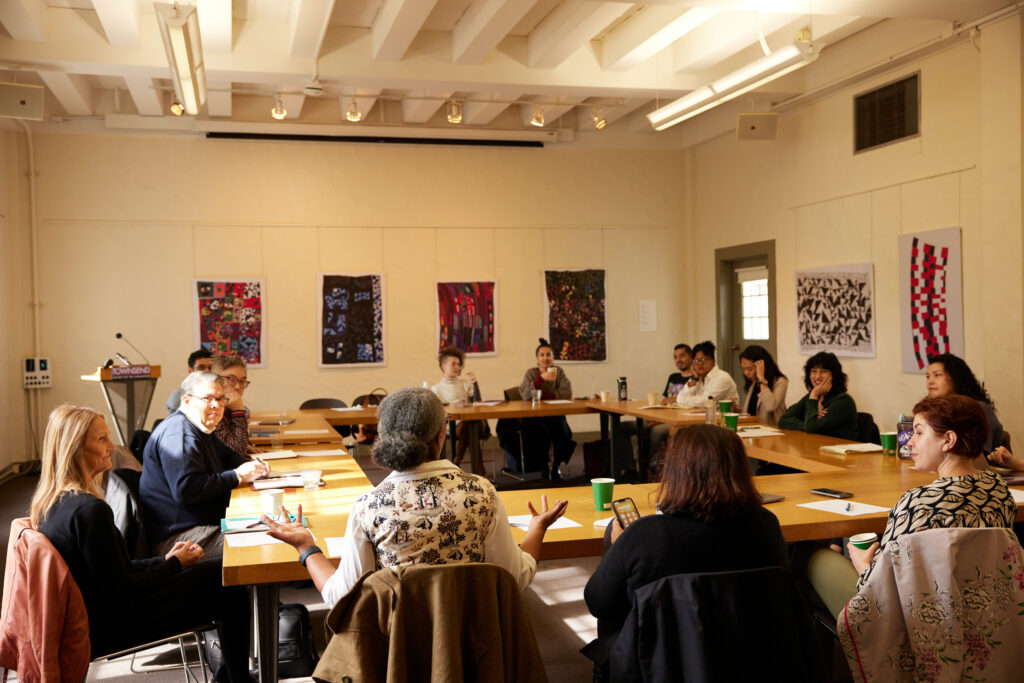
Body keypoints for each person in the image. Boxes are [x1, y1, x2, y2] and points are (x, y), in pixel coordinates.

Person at [263, 387, 568, 607]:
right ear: (440, 435)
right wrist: (537, 530)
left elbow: (343, 598)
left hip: (399, 655)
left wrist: (306, 547)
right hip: (473, 648)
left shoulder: (369, 507)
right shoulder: (482, 493)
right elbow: (513, 580)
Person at [30, 404, 251, 682]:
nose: (112, 446)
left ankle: (230, 676)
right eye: (101, 439)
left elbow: (114, 571)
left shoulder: (52, 504)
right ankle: (237, 678)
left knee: (215, 573)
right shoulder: (90, 511)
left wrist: (168, 560)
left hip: (92, 616)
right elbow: (120, 589)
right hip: (109, 627)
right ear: (75, 448)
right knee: (225, 582)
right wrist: (172, 567)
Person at [582, 425, 787, 669]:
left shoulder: (645, 535)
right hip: (750, 659)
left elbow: (598, 603)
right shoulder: (767, 525)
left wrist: (618, 548)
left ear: (676, 472)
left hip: (661, 663)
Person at [849, 395, 1015, 589]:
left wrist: (862, 564)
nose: (910, 442)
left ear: (948, 440)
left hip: (921, 615)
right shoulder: (998, 488)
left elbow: (883, 588)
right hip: (990, 610)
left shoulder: (918, 503)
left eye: (918, 433)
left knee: (819, 559)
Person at [141, 371, 269, 557]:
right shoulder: (180, 434)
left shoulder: (201, 428)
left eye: (220, 399)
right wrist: (237, 476)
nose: (216, 405)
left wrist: (255, 467)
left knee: (273, 528)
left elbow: (229, 457)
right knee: (264, 542)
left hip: (203, 522)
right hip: (180, 538)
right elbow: (187, 490)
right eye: (207, 398)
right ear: (186, 401)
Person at [926, 353, 1009, 458]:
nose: (930, 382)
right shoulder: (938, 410)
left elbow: (979, 457)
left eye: (937, 375)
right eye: (928, 377)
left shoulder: (978, 408)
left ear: (955, 377)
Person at [518, 338, 576, 479]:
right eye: (542, 355)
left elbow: (567, 393)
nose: (545, 358)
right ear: (537, 358)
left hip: (555, 415)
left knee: (564, 434)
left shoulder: (558, 372)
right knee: (539, 435)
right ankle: (544, 467)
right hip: (535, 417)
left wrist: (543, 395)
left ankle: (556, 466)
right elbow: (525, 394)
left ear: (553, 357)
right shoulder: (531, 373)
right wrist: (540, 379)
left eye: (548, 355)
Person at [430, 346, 487, 472]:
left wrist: (474, 384)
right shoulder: (437, 389)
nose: (457, 367)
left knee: (470, 422)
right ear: (444, 366)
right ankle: (480, 473)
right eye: (453, 364)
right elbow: (438, 413)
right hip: (452, 425)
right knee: (471, 426)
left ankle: (457, 460)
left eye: (459, 364)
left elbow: (477, 403)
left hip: (471, 422)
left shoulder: (466, 383)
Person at [778, 351, 858, 440]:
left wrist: (814, 396)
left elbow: (812, 428)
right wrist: (806, 425)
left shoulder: (843, 401)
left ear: (834, 375)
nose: (817, 376)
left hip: (841, 449)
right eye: (813, 371)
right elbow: (783, 420)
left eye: (824, 371)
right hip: (817, 447)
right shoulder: (814, 395)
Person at [210, 354, 259, 457]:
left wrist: (246, 446)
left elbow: (235, 445)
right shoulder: (211, 409)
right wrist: (239, 411)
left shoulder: (228, 407)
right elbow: (236, 455)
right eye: (231, 379)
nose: (238, 387)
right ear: (213, 379)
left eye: (242, 381)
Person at [674, 340, 739, 409]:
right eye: (696, 360)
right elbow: (680, 396)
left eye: (703, 359)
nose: (699, 363)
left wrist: (682, 400)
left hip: (724, 418)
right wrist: (694, 379)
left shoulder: (722, 378)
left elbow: (706, 402)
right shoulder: (697, 377)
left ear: (713, 360)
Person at [738, 345, 789, 425]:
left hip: (773, 432)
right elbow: (751, 412)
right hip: (753, 430)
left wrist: (762, 379)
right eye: (743, 369)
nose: (746, 373)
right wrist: (735, 409)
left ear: (761, 366)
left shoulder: (780, 382)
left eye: (749, 369)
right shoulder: (754, 382)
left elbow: (771, 406)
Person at [165, 348, 212, 414]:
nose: (208, 371)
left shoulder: (223, 392)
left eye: (211, 367)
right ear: (190, 371)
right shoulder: (179, 399)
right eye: (201, 367)